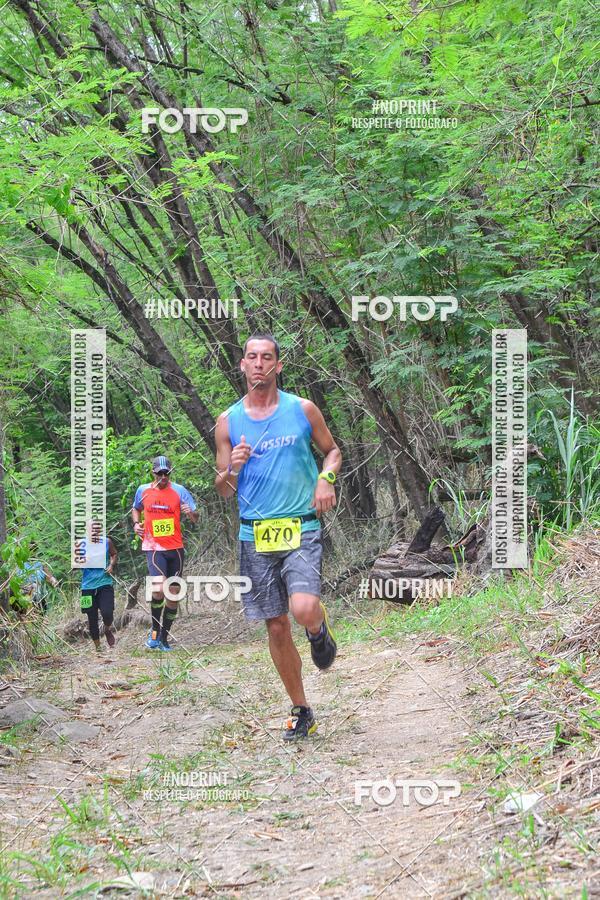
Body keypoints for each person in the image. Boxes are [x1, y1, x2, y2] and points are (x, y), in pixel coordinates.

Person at [214, 334, 341, 741]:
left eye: (266, 357)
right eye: (251, 357)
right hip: (255, 534)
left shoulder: (301, 409)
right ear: (242, 365)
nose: (258, 364)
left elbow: (333, 451)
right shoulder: (228, 421)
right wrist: (232, 467)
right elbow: (222, 489)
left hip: (301, 524)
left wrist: (326, 479)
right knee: (275, 627)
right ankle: (301, 709)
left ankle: (318, 630)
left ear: (278, 366)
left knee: (303, 608)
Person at [132, 455, 198, 651]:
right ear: (153, 473)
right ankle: (154, 631)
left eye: (166, 473)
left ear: (170, 473)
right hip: (154, 547)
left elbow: (196, 517)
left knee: (174, 594)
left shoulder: (179, 491)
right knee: (159, 588)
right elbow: (135, 509)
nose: (163, 477)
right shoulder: (143, 490)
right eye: (159, 473)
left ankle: (164, 638)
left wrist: (190, 513)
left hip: (175, 548)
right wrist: (136, 524)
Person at [78, 521, 118, 652]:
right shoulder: (81, 545)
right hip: (87, 586)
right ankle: (98, 647)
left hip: (105, 583)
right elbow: (74, 565)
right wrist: (84, 560)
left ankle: (107, 629)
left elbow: (114, 554)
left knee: (107, 612)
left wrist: (111, 565)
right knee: (91, 618)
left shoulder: (106, 542)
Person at [18, 543, 59, 614]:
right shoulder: (20, 565)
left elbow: (49, 577)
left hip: (38, 596)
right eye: (29, 550)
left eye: (33, 550)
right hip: (24, 595)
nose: (31, 552)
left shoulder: (40, 564)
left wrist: (53, 581)